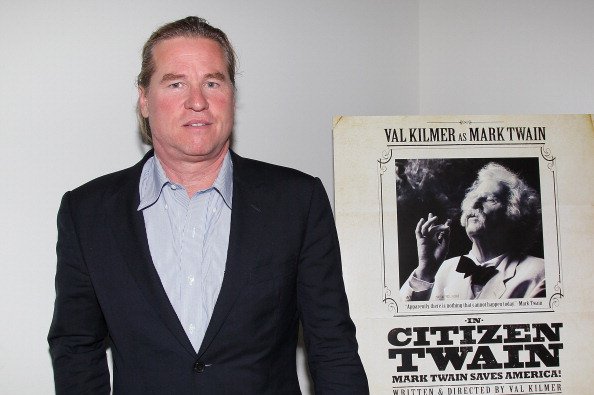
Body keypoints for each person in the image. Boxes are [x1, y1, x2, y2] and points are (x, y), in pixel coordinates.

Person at [48, 16, 368, 394]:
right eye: (176, 83)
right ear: (144, 100)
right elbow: (75, 346)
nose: (197, 101)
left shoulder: (298, 201)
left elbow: (332, 345)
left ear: (232, 95)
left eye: (212, 83)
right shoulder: (87, 212)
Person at [400, 162, 546, 301]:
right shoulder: (437, 271)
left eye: (490, 199)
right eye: (474, 198)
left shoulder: (540, 273)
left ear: (514, 214)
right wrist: (426, 270)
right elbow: (400, 321)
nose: (475, 204)